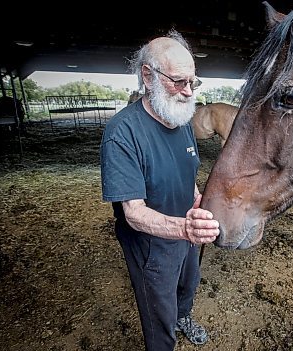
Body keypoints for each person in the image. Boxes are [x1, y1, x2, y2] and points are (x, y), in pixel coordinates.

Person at [100, 30, 220, 351]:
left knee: (188, 284)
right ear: (148, 76)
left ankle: (184, 317)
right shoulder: (123, 132)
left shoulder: (181, 121)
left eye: (193, 82)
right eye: (178, 81)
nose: (187, 92)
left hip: (185, 230)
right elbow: (134, 213)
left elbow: (188, 174)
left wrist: (197, 203)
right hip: (151, 242)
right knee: (158, 309)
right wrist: (184, 227)